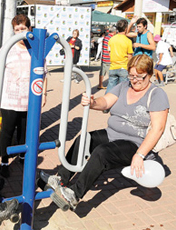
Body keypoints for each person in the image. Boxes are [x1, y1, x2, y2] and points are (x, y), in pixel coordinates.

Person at [38, 54, 169, 211]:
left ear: (149, 74)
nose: (134, 80)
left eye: (139, 77)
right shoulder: (124, 86)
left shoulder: (156, 94)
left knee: (102, 152)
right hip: (112, 134)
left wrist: (140, 155)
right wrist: (93, 103)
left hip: (135, 143)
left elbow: (158, 128)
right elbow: (106, 101)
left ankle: (74, 194)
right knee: (84, 139)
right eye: (131, 75)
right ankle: (60, 179)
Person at [0, 14, 47, 178]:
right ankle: (4, 162)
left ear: (30, 29)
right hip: (9, 100)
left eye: (23, 28)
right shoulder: (7, 49)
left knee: (25, 131)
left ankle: (22, 156)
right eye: (17, 29)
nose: (20, 32)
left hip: (30, 100)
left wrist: (44, 94)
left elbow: (43, 74)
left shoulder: (35, 49)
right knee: (7, 132)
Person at [105, 19, 133, 94]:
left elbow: (109, 52)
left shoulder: (111, 39)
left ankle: (106, 103)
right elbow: (129, 56)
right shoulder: (128, 41)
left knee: (110, 88)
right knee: (123, 90)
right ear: (126, 28)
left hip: (113, 67)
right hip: (123, 67)